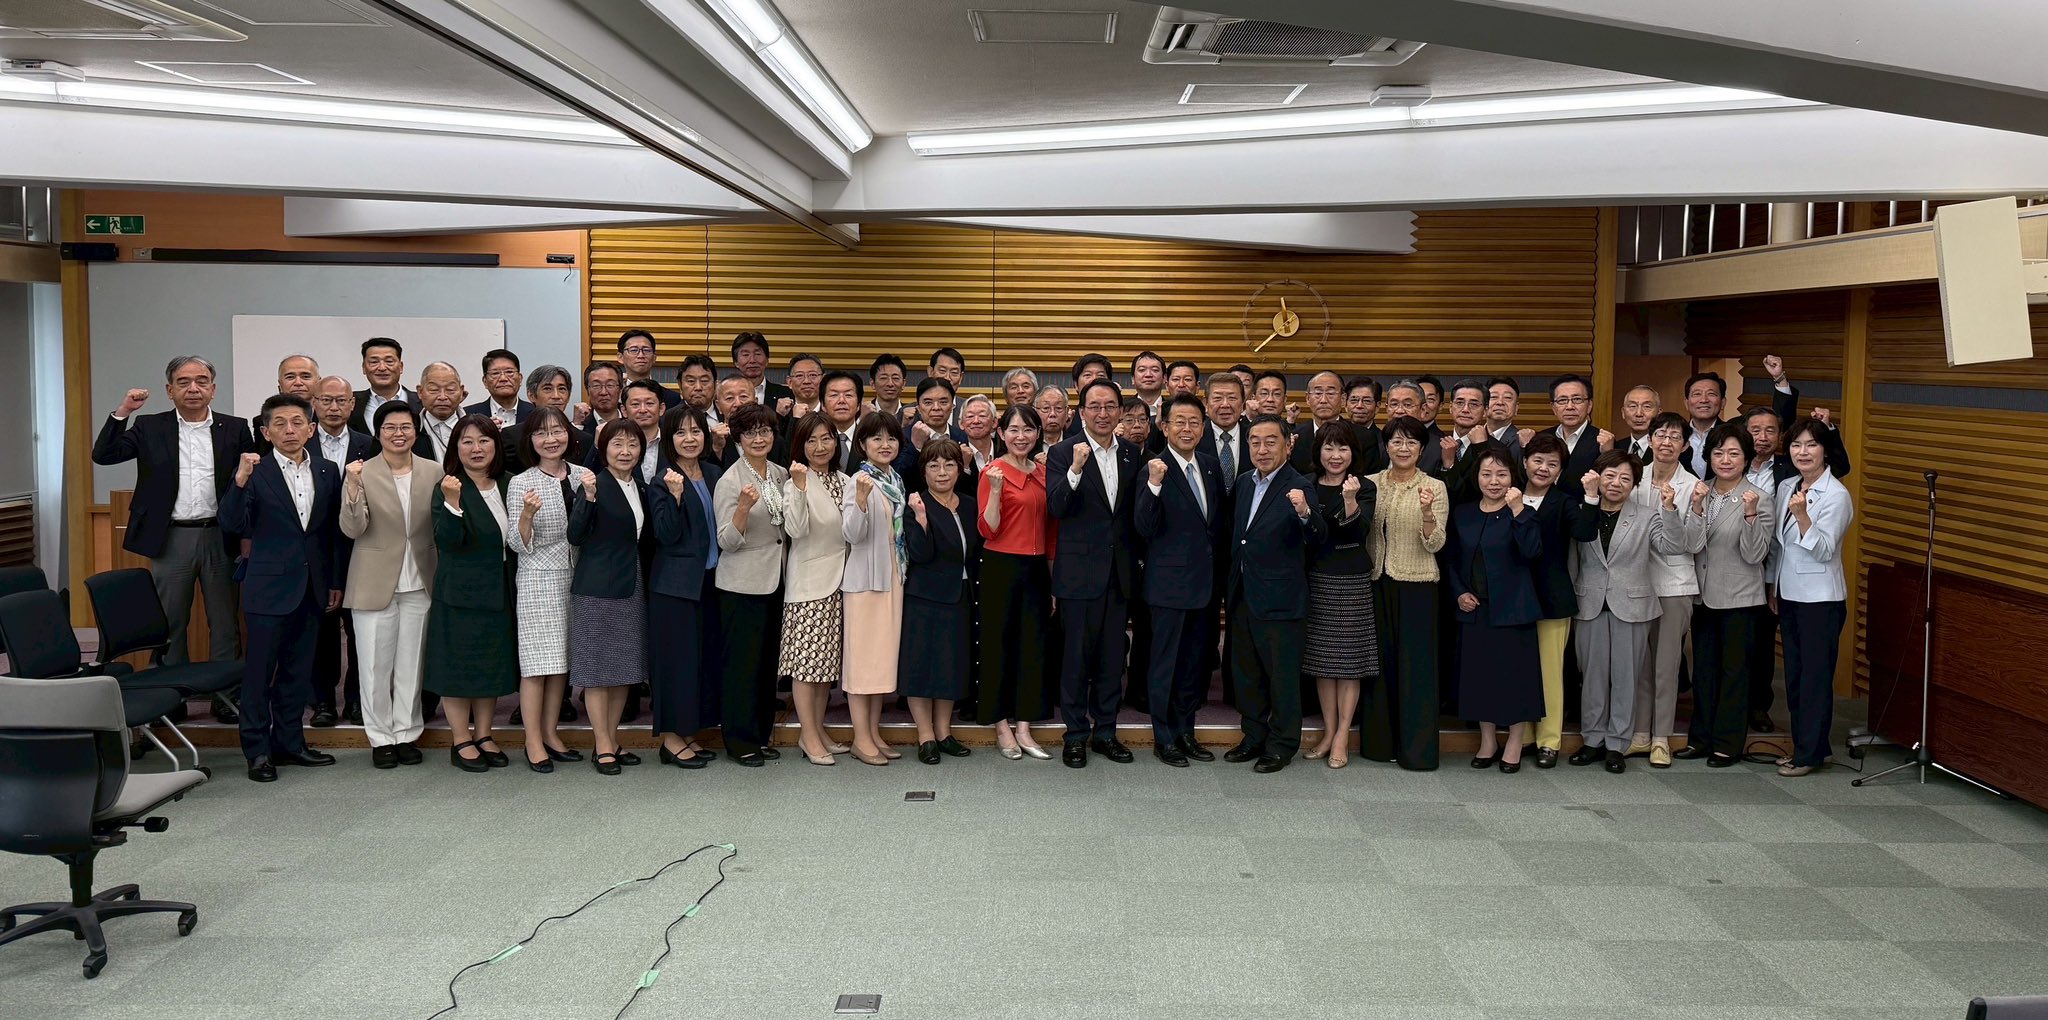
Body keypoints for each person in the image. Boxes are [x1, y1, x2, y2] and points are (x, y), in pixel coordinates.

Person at [92, 356, 254, 718]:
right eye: (183, 382)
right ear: (169, 390)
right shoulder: (150, 426)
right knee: (171, 622)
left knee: (224, 622)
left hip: (220, 535)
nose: (193, 388)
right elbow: (104, 455)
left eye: (201, 381)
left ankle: (226, 696)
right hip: (171, 538)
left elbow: (247, 485)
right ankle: (171, 696)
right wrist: (123, 411)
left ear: (213, 388)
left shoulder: (235, 428)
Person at [220, 394, 342, 782]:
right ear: (265, 432)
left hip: (312, 586)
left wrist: (334, 581)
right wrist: (240, 480)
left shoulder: (327, 470)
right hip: (267, 588)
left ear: (311, 429)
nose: (289, 430)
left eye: (297, 423)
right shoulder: (253, 471)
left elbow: (331, 533)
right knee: (259, 675)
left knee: (298, 672)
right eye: (280, 424)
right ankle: (257, 751)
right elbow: (231, 523)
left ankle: (290, 743)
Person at [1222, 415, 1327, 773]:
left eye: (1270, 441)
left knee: (1282, 678)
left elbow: (1317, 537)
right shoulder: (1243, 483)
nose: (1262, 449)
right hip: (1243, 595)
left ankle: (1282, 744)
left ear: (1288, 444)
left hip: (1281, 600)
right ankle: (1253, 736)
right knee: (1247, 674)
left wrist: (1305, 513)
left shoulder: (1300, 485)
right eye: (1255, 442)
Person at [1046, 379, 1142, 768]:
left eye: (1110, 406)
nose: (1103, 413)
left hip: (1119, 574)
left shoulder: (1132, 453)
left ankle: (1105, 732)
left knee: (1111, 658)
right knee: (1075, 659)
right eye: (1095, 406)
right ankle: (1075, 734)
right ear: (1081, 412)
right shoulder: (1062, 452)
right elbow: (1056, 507)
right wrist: (1074, 469)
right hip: (1078, 574)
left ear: (1120, 411)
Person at [338, 400, 438, 770]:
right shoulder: (361, 472)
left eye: (405, 427)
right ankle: (380, 738)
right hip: (373, 581)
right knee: (374, 667)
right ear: (378, 433)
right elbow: (352, 528)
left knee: (412, 665)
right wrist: (351, 486)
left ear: (416, 430)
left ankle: (407, 733)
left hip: (420, 580)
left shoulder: (434, 471)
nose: (399, 433)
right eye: (390, 427)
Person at [1132, 394, 1226, 767]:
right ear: (1165, 426)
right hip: (1167, 586)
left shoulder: (1210, 466)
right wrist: (1154, 485)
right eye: (1179, 422)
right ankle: (1164, 736)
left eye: (1194, 422)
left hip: (1205, 585)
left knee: (1193, 665)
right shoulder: (1152, 468)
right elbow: (1143, 526)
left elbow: (1216, 525)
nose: (1187, 429)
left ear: (1203, 428)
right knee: (1165, 665)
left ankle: (1186, 732)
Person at [1566, 451, 1672, 775]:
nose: (1616, 483)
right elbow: (1572, 560)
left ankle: (1617, 744)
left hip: (1633, 605)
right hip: (1589, 603)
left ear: (1634, 484)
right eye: (1610, 476)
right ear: (1597, 477)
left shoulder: (1647, 516)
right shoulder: (1582, 510)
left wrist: (1670, 510)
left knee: (1626, 678)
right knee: (1592, 676)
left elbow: (1671, 546)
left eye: (1626, 478)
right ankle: (1592, 739)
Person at [423, 415, 519, 773]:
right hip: (460, 593)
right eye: (467, 441)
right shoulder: (449, 486)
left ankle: (484, 734)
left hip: (501, 589)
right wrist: (452, 503)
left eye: (484, 440)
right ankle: (460, 738)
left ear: (496, 445)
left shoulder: (509, 482)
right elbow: (448, 541)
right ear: (456, 448)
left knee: (489, 665)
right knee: (459, 666)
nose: (476, 448)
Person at [1676, 424, 1773, 767]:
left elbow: (1755, 554)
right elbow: (1691, 545)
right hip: (1703, 596)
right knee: (1704, 671)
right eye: (1718, 453)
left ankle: (1728, 744)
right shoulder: (1700, 491)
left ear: (1746, 458)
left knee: (1735, 673)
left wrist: (1750, 515)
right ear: (1709, 456)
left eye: (1734, 453)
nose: (1725, 460)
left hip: (1740, 599)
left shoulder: (1758, 498)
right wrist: (1696, 507)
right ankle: (1700, 739)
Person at [1446, 448, 1545, 773]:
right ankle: (1487, 741)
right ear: (1477, 477)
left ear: (1512, 477)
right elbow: (1450, 559)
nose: (1494, 481)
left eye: (1501, 474)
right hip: (1475, 610)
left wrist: (1518, 510)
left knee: (1515, 680)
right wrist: (1459, 592)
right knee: (1480, 680)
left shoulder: (1524, 512)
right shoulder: (1463, 513)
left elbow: (1532, 551)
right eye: (1487, 474)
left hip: (1513, 611)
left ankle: (1514, 742)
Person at [567, 420, 653, 775]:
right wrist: (587, 499)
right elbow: (575, 534)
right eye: (617, 444)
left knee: (623, 670)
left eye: (632, 444)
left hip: (632, 584)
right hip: (597, 588)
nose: (625, 451)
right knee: (598, 672)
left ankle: (612, 739)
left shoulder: (640, 486)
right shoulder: (594, 485)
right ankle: (601, 743)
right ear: (603, 450)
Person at [1364, 416, 1449, 770]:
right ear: (1386, 446)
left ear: (1422, 449)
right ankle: (1380, 745)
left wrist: (1427, 513)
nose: (1403, 448)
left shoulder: (1434, 487)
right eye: (1396, 441)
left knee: (1416, 670)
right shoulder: (1370, 483)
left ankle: (1417, 751)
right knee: (1379, 666)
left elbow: (1436, 543)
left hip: (1417, 586)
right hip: (1376, 582)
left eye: (1411, 442)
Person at [1771, 417, 1854, 778]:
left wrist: (1803, 516)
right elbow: (1779, 545)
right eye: (1796, 445)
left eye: (1811, 445)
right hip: (1789, 594)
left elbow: (1823, 549)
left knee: (1814, 679)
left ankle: (1807, 755)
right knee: (1795, 676)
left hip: (1820, 600)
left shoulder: (1836, 495)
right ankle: (1814, 747)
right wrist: (1773, 588)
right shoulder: (1787, 485)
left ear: (1825, 451)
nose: (1802, 452)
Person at [504, 407, 583, 771]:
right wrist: (526, 515)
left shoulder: (583, 476)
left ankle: (551, 733)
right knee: (537, 665)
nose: (551, 439)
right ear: (530, 441)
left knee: (561, 662)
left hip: (577, 578)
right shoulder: (522, 482)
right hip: (539, 578)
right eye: (541, 433)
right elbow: (516, 544)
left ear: (569, 434)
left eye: (557, 431)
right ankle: (532, 740)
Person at [976, 404, 1055, 760]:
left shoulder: (1043, 471)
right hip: (1001, 566)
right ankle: (1000, 725)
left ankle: (1024, 725)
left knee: (1033, 647)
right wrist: (995, 490)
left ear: (1037, 434)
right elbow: (988, 529)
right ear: (1001, 433)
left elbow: (1052, 531)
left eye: (1028, 430)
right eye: (1013, 430)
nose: (1020, 437)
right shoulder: (993, 471)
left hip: (1037, 568)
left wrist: (1052, 580)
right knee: (999, 646)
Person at [1629, 411, 1707, 767]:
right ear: (1649, 440)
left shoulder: (1693, 485)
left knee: (1666, 664)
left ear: (1685, 446)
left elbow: (1691, 543)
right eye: (1660, 434)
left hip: (1674, 585)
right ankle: (1639, 733)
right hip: (1635, 583)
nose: (1666, 442)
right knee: (1640, 663)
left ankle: (1661, 737)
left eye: (1675, 437)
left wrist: (1671, 508)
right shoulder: (1634, 477)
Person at [713, 404, 790, 767]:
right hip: (741, 586)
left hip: (777, 581)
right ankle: (738, 740)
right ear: (738, 438)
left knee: (765, 665)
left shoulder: (780, 473)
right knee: (741, 667)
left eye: (765, 431)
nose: (759, 439)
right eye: (750, 433)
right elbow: (726, 541)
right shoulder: (730, 480)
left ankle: (760, 735)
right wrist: (742, 508)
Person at [647, 405, 722, 769]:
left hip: (710, 581)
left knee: (699, 662)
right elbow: (665, 534)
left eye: (696, 431)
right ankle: (671, 739)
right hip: (674, 587)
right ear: (669, 439)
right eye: (680, 432)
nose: (689, 439)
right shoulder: (663, 479)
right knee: (674, 664)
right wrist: (675, 499)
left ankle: (689, 732)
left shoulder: (713, 473)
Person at [1302, 420, 1378, 769]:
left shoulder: (1364, 486)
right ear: (1318, 451)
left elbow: (1358, 531)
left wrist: (1349, 500)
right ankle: (1328, 732)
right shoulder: (1307, 484)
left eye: (1342, 448)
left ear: (1353, 453)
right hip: (1317, 577)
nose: (1335, 455)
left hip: (1351, 579)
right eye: (1329, 448)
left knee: (1348, 664)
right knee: (1323, 663)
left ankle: (1343, 735)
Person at [900, 439, 979, 765]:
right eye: (934, 466)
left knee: (950, 666)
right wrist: (921, 518)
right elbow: (920, 554)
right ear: (924, 471)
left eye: (949, 465)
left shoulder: (970, 503)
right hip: (925, 598)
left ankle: (944, 733)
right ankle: (925, 736)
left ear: (959, 469)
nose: (942, 472)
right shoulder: (916, 503)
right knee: (920, 667)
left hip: (961, 595)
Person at [779, 413, 850, 765]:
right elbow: (795, 529)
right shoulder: (795, 481)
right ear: (800, 446)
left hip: (841, 583)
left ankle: (818, 730)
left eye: (826, 438)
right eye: (811, 440)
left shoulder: (845, 480)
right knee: (807, 667)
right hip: (809, 585)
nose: (820, 447)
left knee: (824, 668)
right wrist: (800, 487)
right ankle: (807, 735)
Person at [307, 375, 374, 728]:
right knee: (322, 629)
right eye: (326, 400)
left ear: (352, 405)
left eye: (341, 401)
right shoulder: (301, 442)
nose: (334, 407)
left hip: (359, 548)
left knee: (360, 628)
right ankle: (322, 700)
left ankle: (356, 699)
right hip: (315, 550)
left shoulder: (369, 444)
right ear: (314, 403)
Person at [842, 412, 909, 765]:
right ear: (862, 444)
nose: (885, 445)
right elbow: (851, 534)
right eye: (876, 439)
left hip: (892, 577)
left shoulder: (895, 479)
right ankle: (860, 738)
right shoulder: (860, 480)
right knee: (862, 662)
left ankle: (873, 732)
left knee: (880, 660)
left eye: (891, 438)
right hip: (866, 582)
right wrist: (861, 501)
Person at [1518, 434, 1579, 768]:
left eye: (1552, 464)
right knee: (1521, 669)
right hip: (1514, 597)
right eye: (1538, 460)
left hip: (1552, 598)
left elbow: (1584, 532)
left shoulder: (1565, 502)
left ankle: (1549, 740)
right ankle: (1524, 735)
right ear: (1525, 462)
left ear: (1560, 471)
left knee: (1549, 672)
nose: (1543, 468)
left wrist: (1592, 497)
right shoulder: (1508, 494)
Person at [504, 364, 585, 473]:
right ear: (531, 395)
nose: (556, 396)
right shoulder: (512, 436)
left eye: (562, 389)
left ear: (568, 396)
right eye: (547, 389)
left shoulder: (583, 438)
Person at [1545, 374, 1610, 498]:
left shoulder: (1603, 442)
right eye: (1562, 400)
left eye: (1577, 399)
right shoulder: (1542, 438)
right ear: (1553, 408)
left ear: (1589, 405)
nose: (1570, 407)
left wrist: (1608, 453)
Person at [251, 354, 320, 454]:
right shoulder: (262, 421)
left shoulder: (332, 418)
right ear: (280, 385)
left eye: (305, 376)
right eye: (290, 377)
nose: (298, 383)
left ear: (319, 382)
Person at [349, 337, 419, 434]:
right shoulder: (350, 402)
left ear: (401, 367)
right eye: (374, 362)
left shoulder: (422, 402)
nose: (382, 368)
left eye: (389, 361)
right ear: (364, 368)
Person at [1199, 372, 1250, 491]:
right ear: (1206, 403)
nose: (1225, 405)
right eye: (1217, 398)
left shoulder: (1254, 436)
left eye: (1232, 398)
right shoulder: (1194, 438)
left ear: (1243, 404)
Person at [1288, 371, 1345, 475]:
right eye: (1318, 393)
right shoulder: (1295, 437)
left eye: (1330, 393)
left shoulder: (1361, 436)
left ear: (1343, 399)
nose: (1323, 400)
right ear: (1307, 398)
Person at [465, 348, 534, 428]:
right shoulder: (467, 415)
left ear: (520, 378)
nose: (503, 378)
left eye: (509, 372)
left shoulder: (535, 413)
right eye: (495, 373)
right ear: (485, 381)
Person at [412, 362, 466, 463]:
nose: (442, 397)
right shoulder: (411, 430)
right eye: (434, 390)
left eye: (450, 390)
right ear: (420, 392)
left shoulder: (476, 427)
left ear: (461, 392)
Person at [618, 329, 682, 408]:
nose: (641, 355)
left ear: (654, 357)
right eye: (634, 350)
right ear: (620, 357)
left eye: (646, 350)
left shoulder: (672, 398)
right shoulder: (613, 397)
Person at [731, 331, 792, 412]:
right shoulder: (726, 395)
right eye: (745, 355)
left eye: (757, 354)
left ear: (767, 360)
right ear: (736, 362)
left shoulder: (785, 394)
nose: (752, 360)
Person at [818, 370, 865, 472]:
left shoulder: (868, 438)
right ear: (822, 404)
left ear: (859, 404)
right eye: (834, 395)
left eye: (848, 395)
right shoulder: (813, 441)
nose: (842, 401)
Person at [576, 360, 626, 443]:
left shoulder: (633, 421)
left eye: (610, 385)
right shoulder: (580, 427)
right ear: (587, 390)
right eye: (596, 386)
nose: (603, 392)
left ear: (620, 389)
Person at [1484, 376, 1525, 460]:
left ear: (1516, 408)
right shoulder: (1470, 438)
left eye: (1507, 398)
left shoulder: (1522, 442)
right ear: (1484, 405)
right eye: (1493, 397)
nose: (1500, 402)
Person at [1620, 384, 1661, 460]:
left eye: (1647, 407)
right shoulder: (1617, 447)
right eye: (1633, 406)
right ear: (1623, 413)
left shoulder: (1665, 448)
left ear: (1658, 413)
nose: (1639, 414)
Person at [958, 393, 999, 469]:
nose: (976, 421)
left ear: (994, 422)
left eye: (982, 415)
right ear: (961, 423)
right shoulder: (954, 454)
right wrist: (965, 467)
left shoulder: (1007, 453)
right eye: (970, 416)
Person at [868, 353, 909, 419]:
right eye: (883, 378)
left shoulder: (913, 417)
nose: (890, 384)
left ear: (903, 383)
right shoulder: (862, 415)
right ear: (872, 383)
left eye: (895, 378)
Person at [785, 353, 825, 418]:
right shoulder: (781, 416)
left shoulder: (833, 414)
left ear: (823, 380)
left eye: (813, 375)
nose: (807, 381)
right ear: (790, 382)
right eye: (799, 375)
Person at [1130, 351, 1166, 417]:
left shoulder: (1172, 409)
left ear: (1164, 378)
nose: (1148, 374)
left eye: (1155, 370)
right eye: (1142, 370)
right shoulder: (1121, 410)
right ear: (1133, 379)